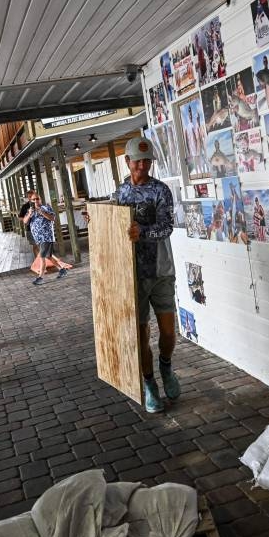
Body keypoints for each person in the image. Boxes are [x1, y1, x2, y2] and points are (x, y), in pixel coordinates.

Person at [112, 137, 180, 413]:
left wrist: (144, 232)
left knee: (167, 331)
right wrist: (98, 220)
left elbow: (167, 227)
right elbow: (115, 228)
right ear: (127, 162)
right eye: (137, 160)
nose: (142, 165)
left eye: (147, 160)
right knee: (140, 335)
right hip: (132, 275)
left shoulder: (161, 190)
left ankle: (166, 367)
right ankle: (150, 384)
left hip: (161, 270)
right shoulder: (119, 193)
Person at [23, 193, 70, 286]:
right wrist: (29, 214)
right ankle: (62, 269)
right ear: (31, 201)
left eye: (37, 199)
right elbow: (25, 221)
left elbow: (52, 218)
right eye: (33, 199)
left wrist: (42, 213)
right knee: (48, 256)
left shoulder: (46, 208)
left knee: (42, 257)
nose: (36, 201)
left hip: (47, 237)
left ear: (40, 199)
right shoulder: (30, 210)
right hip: (38, 238)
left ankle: (40, 278)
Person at [18, 189, 39, 257]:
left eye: (32, 196)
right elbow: (20, 218)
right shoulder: (25, 206)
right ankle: (38, 261)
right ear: (28, 197)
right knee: (35, 246)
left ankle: (44, 261)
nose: (31, 198)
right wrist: (27, 217)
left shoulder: (40, 204)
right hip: (30, 229)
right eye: (29, 197)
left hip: (40, 228)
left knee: (42, 246)